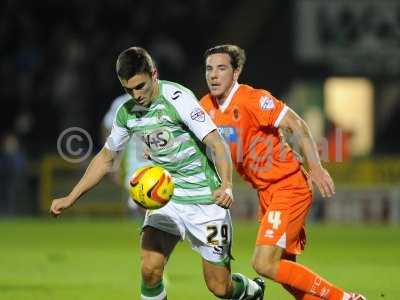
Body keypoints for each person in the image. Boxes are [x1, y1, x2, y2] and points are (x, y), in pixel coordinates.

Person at [50, 46, 265, 300]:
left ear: (154, 74)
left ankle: (252, 290)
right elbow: (106, 158)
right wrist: (70, 197)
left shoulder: (178, 99)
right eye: (128, 90)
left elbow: (217, 144)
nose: (136, 95)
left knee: (219, 287)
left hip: (207, 203)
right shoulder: (127, 113)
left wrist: (226, 185)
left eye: (140, 86)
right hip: (167, 199)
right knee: (150, 269)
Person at [200, 44, 366, 300]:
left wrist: (317, 168)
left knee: (264, 263)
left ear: (236, 72)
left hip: (288, 186)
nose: (213, 75)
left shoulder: (252, 99)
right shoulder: (205, 106)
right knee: (283, 270)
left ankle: (345, 298)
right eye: (209, 69)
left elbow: (297, 125)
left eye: (221, 68)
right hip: (267, 193)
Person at [101, 92, 150, 218]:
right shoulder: (121, 103)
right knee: (143, 205)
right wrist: (112, 161)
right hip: (134, 165)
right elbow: (108, 129)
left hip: (161, 164)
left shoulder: (165, 98)